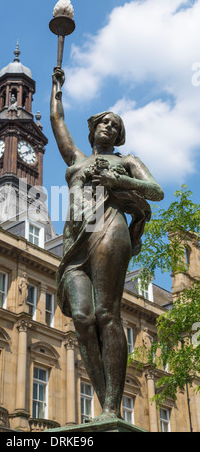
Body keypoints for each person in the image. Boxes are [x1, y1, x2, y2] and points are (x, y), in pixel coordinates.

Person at [50, 67, 164, 420]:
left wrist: (116, 179)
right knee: (83, 319)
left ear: (119, 136)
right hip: (74, 243)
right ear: (94, 127)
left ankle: (111, 408)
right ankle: (106, 406)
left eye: (116, 125)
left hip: (110, 229)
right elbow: (57, 121)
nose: (109, 127)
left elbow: (156, 191)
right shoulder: (76, 160)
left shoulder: (126, 161)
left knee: (106, 314)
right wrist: (56, 90)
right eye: (105, 122)